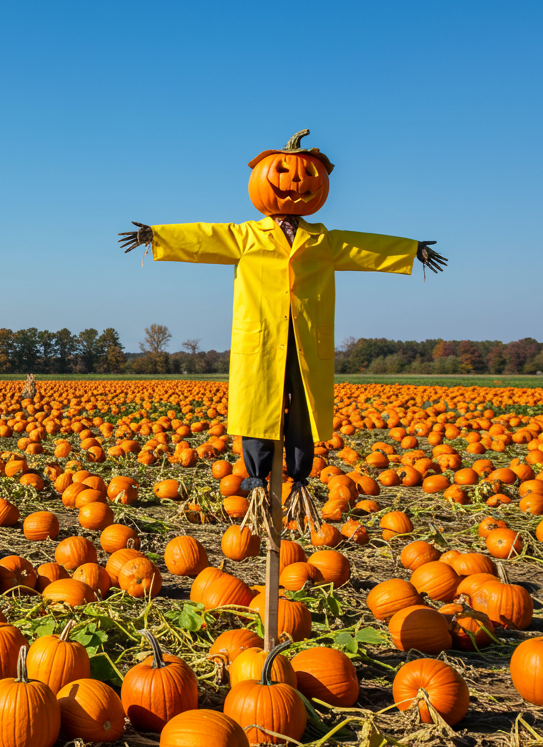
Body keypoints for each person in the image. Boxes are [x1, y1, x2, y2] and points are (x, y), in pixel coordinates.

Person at [117, 129, 447, 530]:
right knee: (258, 406)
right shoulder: (247, 236)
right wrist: (159, 235)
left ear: (320, 184)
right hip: (263, 336)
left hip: (306, 336)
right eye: (285, 173)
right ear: (263, 178)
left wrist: (410, 249)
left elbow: (365, 248)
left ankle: (300, 478)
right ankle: (257, 480)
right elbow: (205, 237)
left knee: (303, 410)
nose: (295, 182)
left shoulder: (321, 239)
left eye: (307, 175)